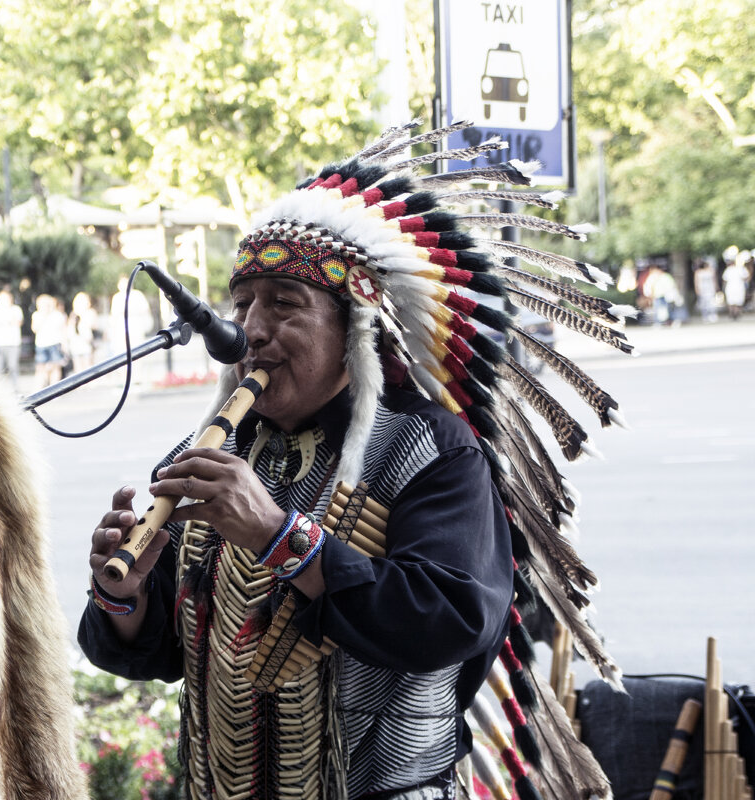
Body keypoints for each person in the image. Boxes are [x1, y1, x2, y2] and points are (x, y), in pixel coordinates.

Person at [79, 124, 623, 800]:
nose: (251, 329)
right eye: (243, 304)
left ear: (354, 332)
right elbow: (163, 649)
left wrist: (283, 538)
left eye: (284, 305)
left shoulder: (431, 448)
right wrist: (123, 596)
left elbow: (451, 618)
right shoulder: (211, 453)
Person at [0, 287, 24, 391]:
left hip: (13, 343)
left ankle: (15, 389)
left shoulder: (16, 309)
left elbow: (19, 323)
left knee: (13, 367)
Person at [109, 275, 154, 356]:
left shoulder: (137, 295)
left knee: (136, 352)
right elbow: (113, 315)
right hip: (121, 329)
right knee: (121, 353)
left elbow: (145, 310)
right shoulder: (117, 297)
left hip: (135, 327)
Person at [31, 293, 67, 388]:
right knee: (41, 368)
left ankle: (54, 388)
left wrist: (64, 344)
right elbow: (35, 329)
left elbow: (63, 330)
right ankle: (40, 388)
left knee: (56, 367)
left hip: (55, 343)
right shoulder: (37, 315)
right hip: (41, 344)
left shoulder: (58, 315)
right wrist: (43, 316)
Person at [67, 291, 99, 374]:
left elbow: (95, 326)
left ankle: (87, 384)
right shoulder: (74, 314)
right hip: (76, 341)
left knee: (87, 363)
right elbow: (70, 328)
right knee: (78, 364)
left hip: (86, 341)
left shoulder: (90, 312)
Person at [722, 253, 749, 320]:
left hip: (731, 287)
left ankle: (733, 313)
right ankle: (736, 313)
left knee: (732, 301)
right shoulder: (740, 269)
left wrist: (723, 287)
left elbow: (724, 280)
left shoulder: (729, 269)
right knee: (737, 301)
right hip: (738, 287)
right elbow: (746, 277)